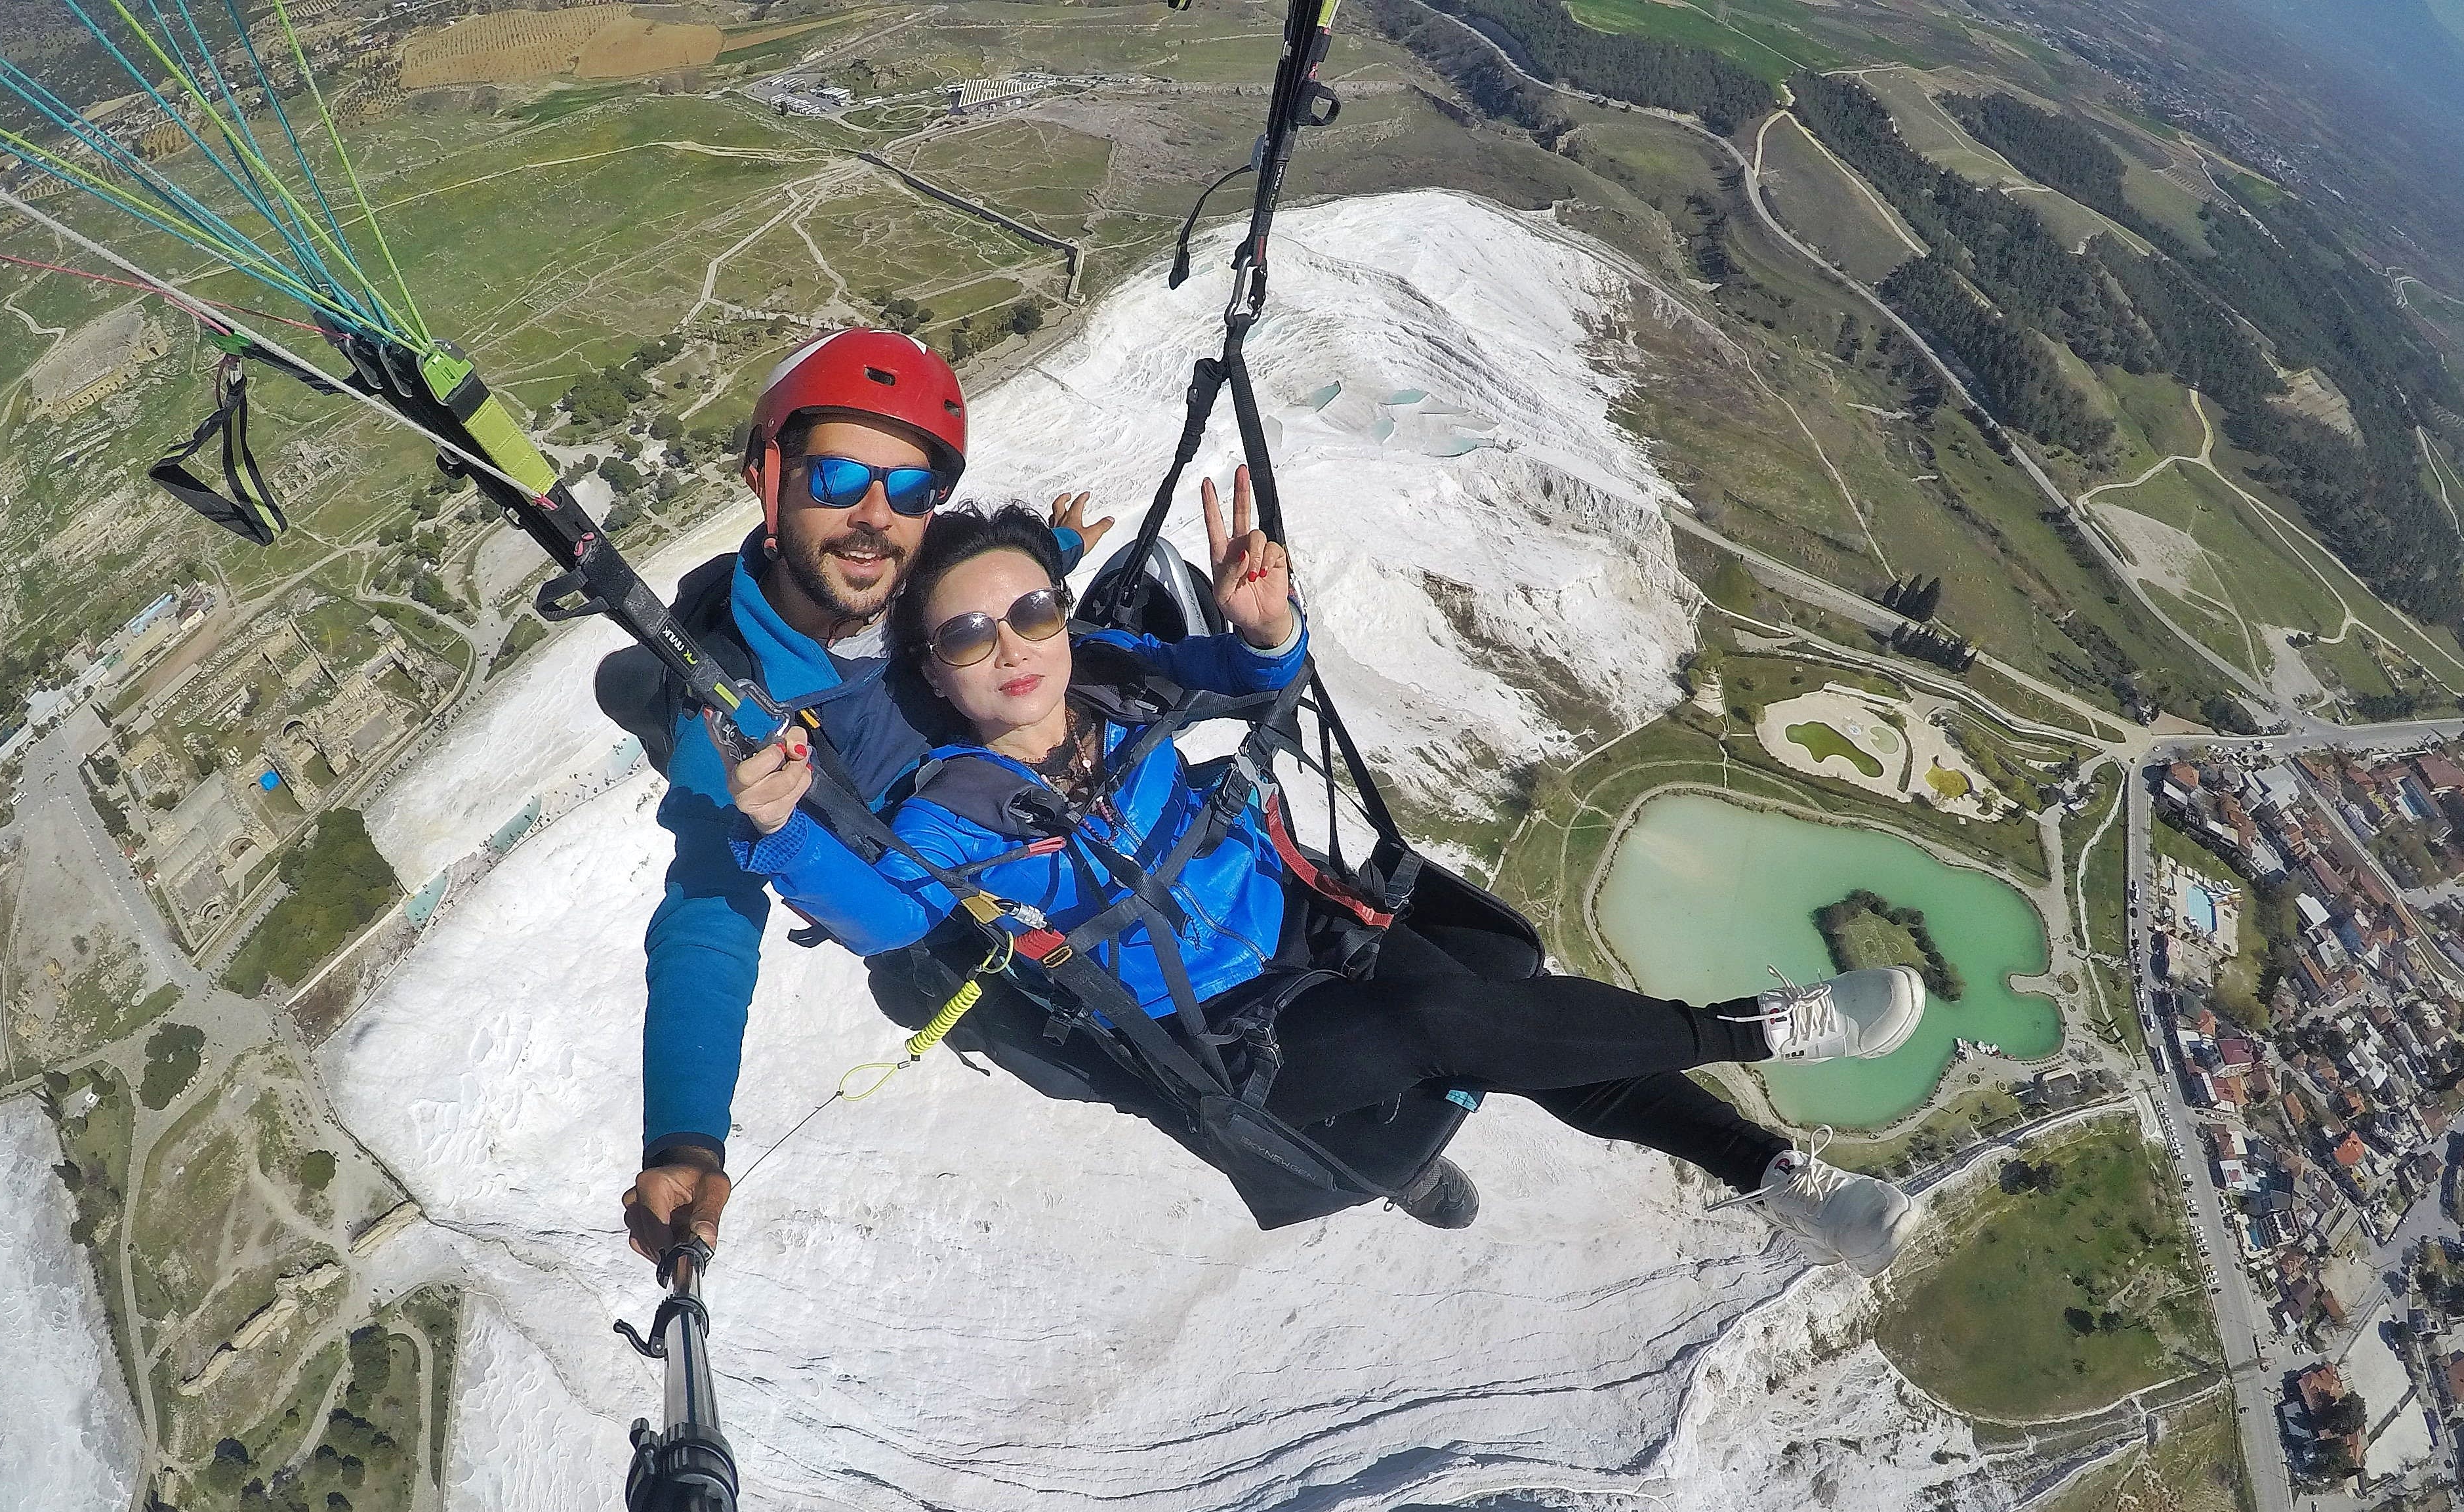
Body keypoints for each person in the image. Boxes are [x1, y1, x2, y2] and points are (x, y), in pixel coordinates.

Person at [717, 485, 1931, 1275]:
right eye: (972, 636)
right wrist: (783, 834)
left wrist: (1263, 635)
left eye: (1032, 612)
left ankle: (1778, 1184)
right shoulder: (947, 818)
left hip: (1317, 930)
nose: (1016, 649)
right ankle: (1758, 1029)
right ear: (935, 672)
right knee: (1439, 1022)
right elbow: (896, 918)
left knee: (1508, 1021)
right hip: (1239, 1053)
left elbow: (1257, 688)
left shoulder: (1118, 679)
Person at [606, 325, 1109, 1265]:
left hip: (1046, 816)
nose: (875, 517)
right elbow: (708, 911)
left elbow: (981, 590)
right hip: (944, 916)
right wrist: (685, 1139)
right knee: (1107, 1068)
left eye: (910, 491)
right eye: (838, 480)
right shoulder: (735, 706)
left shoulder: (904, 577)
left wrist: (1057, 549)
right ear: (770, 478)